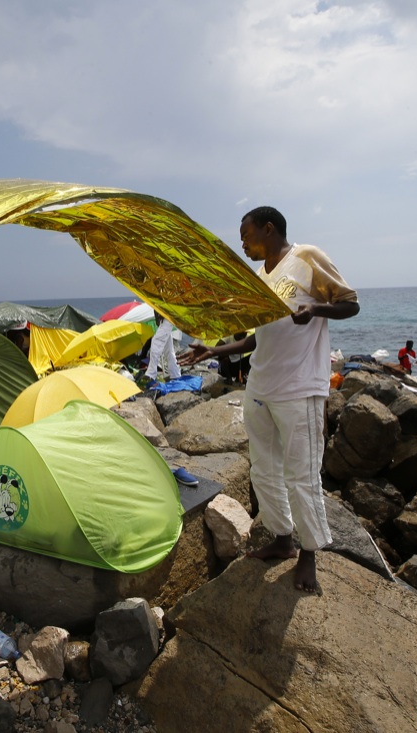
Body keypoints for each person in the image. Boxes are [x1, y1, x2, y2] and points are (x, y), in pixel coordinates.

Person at [180, 206, 359, 593]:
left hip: (300, 386)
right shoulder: (261, 278)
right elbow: (259, 338)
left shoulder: (307, 258)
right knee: (262, 468)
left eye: (246, 236)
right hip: (261, 384)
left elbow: (350, 303)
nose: (242, 244)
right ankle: (282, 539)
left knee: (302, 473)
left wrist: (315, 310)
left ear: (269, 228)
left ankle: (309, 553)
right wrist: (214, 351)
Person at [143, 313, 182, 383]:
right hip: (166, 317)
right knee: (169, 349)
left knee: (156, 341)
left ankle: (151, 374)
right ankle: (175, 374)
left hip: (167, 316)